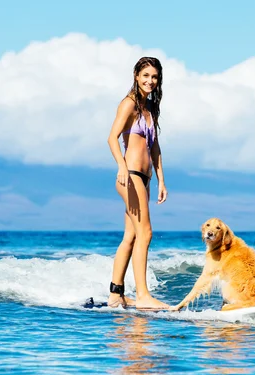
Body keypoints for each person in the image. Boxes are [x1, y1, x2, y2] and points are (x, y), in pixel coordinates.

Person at [106, 57, 169, 310]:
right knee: (146, 233)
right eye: (145, 76)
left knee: (131, 237)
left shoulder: (150, 108)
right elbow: (111, 138)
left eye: (154, 77)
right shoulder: (129, 104)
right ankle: (143, 295)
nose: (150, 81)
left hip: (143, 178)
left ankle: (115, 294)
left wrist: (161, 179)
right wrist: (121, 166)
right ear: (136, 75)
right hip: (130, 175)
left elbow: (154, 147)